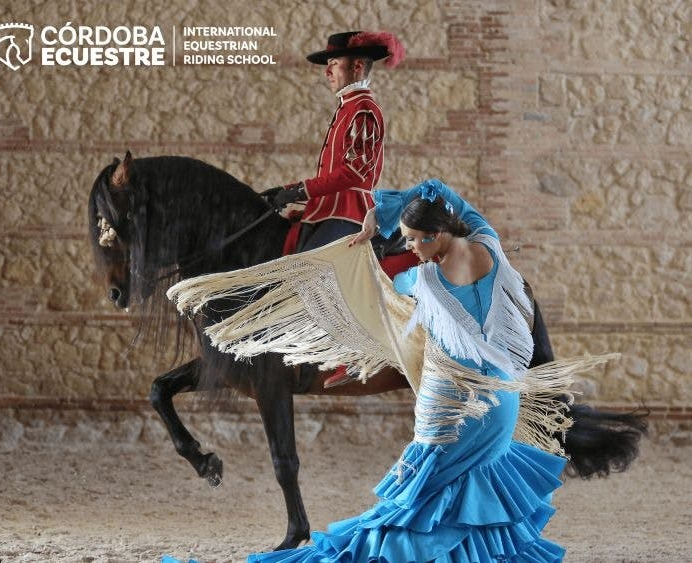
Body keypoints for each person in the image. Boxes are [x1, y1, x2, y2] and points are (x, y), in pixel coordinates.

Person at [168, 179, 615, 562]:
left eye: (418, 240)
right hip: (503, 404)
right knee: (467, 496)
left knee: (410, 508)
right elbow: (438, 191)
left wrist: (374, 219)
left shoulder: (424, 283)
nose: (414, 251)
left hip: (453, 412)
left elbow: (377, 315)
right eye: (405, 241)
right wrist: (388, 215)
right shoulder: (489, 244)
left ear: (438, 233)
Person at [270, 30, 405, 255]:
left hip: (349, 213)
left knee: (306, 274)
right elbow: (331, 172)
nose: (327, 72)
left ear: (357, 66)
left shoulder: (363, 109)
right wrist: (287, 190)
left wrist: (301, 191)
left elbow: (355, 171)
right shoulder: (348, 107)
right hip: (326, 210)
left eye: (333, 63)